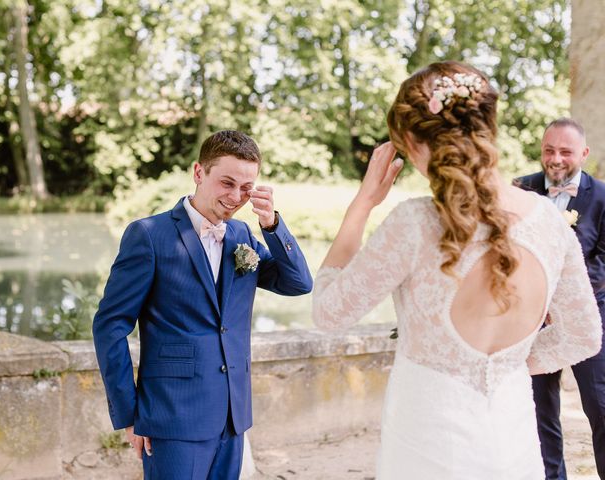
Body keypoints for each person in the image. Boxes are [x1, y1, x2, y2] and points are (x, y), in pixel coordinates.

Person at [312, 61, 602, 479]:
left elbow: (328, 313)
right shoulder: (551, 222)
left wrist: (361, 205)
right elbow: (583, 335)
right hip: (512, 439)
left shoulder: (414, 223)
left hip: (425, 442)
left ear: (412, 141)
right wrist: (511, 363)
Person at [93, 130, 313, 480]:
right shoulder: (148, 235)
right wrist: (131, 415)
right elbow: (110, 326)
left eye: (246, 187)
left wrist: (272, 224)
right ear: (199, 173)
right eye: (227, 183)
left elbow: (299, 283)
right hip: (171, 417)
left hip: (232, 416)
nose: (236, 196)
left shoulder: (242, 235)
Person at [516, 118, 605, 480]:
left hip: (588, 316)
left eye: (565, 151)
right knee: (539, 409)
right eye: (549, 150)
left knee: (600, 404)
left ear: (583, 153)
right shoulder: (520, 189)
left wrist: (563, 302)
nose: (555, 159)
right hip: (530, 322)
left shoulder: (601, 197)